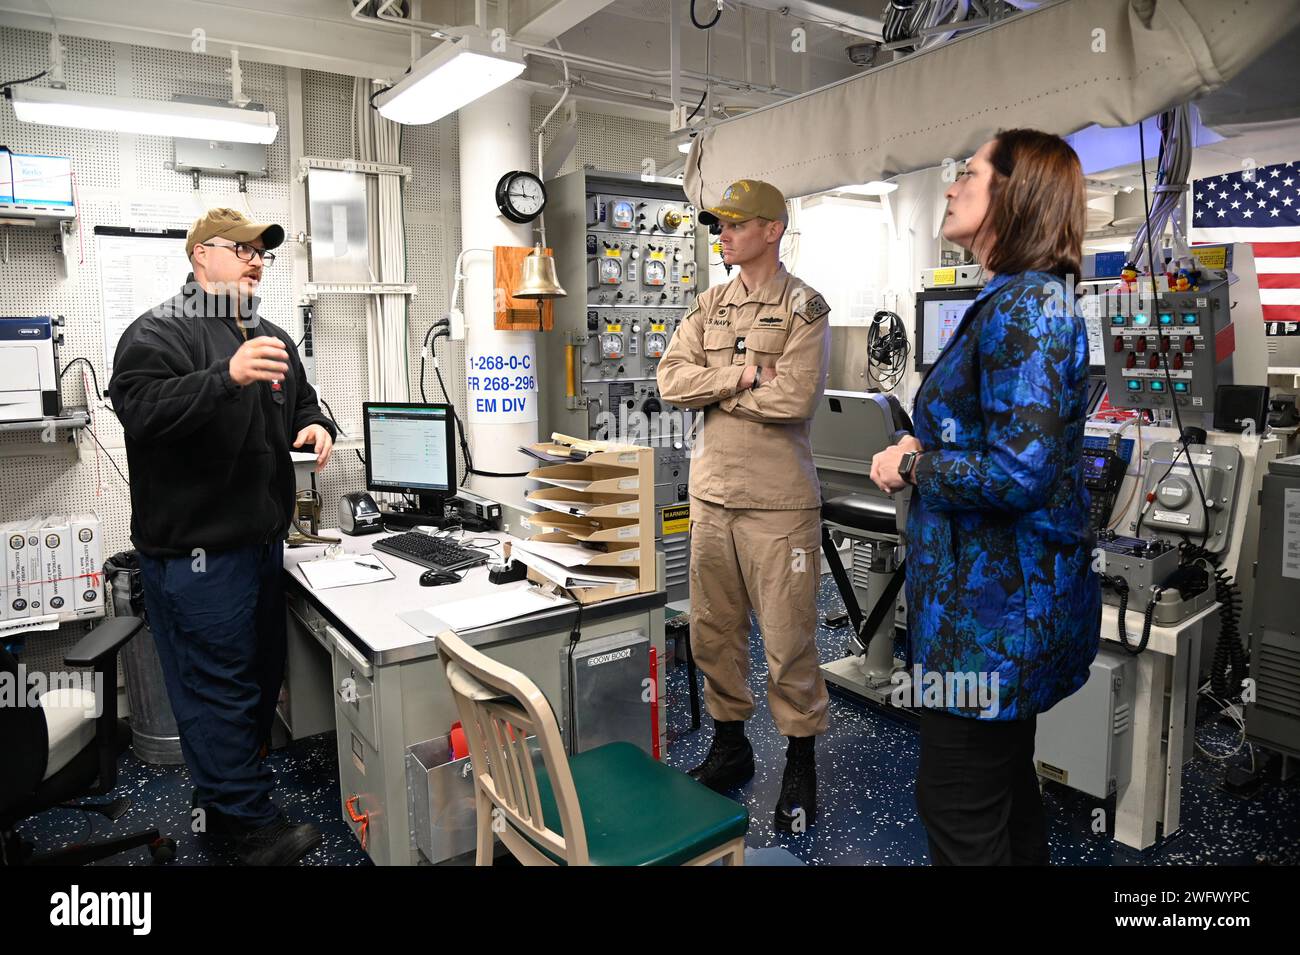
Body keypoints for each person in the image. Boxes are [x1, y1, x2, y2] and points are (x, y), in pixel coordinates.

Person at [870, 130, 1101, 864]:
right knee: (1004, 798)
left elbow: (1018, 471)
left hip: (990, 629)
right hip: (986, 615)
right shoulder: (1015, 300)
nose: (950, 186)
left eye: (967, 173)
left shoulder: (1027, 310)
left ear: (1012, 191)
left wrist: (914, 466)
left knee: (960, 807)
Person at [108, 208, 336, 866]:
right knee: (218, 691)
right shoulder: (155, 332)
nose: (255, 259)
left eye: (261, 251)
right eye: (240, 249)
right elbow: (142, 412)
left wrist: (316, 424)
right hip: (194, 558)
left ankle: (228, 800)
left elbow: (303, 403)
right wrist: (225, 377)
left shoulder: (271, 336)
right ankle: (245, 827)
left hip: (261, 547)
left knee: (255, 684)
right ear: (200, 255)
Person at [658, 179, 832, 832]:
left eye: (734, 224)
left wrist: (716, 390)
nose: (722, 234)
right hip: (713, 500)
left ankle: (800, 758)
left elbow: (792, 400)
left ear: (771, 229)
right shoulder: (708, 304)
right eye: (718, 225)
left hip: (778, 507)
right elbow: (669, 380)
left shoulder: (804, 309)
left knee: (789, 644)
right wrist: (738, 376)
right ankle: (729, 745)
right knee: (713, 633)